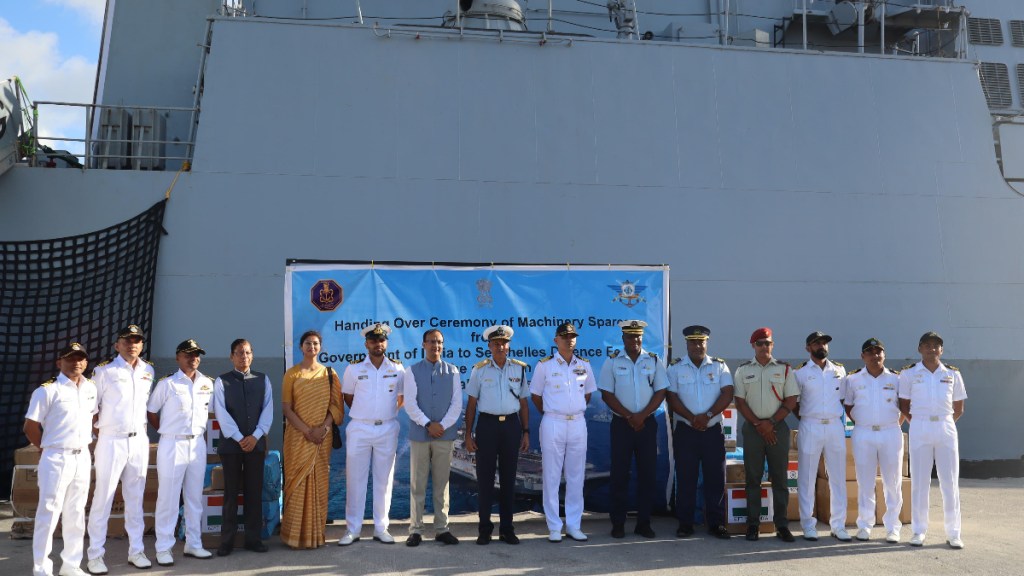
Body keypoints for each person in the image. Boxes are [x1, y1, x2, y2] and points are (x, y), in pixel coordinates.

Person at [24, 342, 97, 576]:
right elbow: (30, 426)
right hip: (55, 456)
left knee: (76, 513)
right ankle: (41, 568)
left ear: (86, 362)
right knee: (49, 513)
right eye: (70, 358)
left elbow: (91, 420)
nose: (76, 362)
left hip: (82, 456)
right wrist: (44, 448)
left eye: (80, 358)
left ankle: (71, 565)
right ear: (59, 363)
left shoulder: (90, 389)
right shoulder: (46, 391)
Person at [87, 324, 155, 574]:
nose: (132, 344)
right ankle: (95, 554)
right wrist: (98, 434)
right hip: (111, 440)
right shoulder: (104, 371)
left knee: (135, 499)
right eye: (127, 340)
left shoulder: (148, 370)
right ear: (117, 345)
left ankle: (136, 551)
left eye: (136, 340)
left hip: (139, 441)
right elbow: (91, 409)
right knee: (102, 497)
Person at [146, 339, 216, 565]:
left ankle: (193, 544)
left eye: (196, 354)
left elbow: (214, 412)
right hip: (172, 444)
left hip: (197, 444)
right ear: (178, 357)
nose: (193, 358)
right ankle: (163, 547)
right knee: (168, 498)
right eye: (188, 354)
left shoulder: (207, 383)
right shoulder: (167, 384)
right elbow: (152, 412)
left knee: (195, 498)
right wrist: (166, 431)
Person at [598, 320, 668, 539]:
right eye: (630, 337)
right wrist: (630, 416)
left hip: (647, 425)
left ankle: (643, 523)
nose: (635, 340)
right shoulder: (612, 362)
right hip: (622, 425)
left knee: (647, 475)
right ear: (623, 339)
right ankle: (618, 523)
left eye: (638, 337)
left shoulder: (654, 361)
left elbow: (660, 392)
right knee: (620, 475)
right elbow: (607, 394)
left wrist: (642, 415)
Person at [338, 323, 405, 546]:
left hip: (387, 427)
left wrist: (386, 414)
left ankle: (381, 527)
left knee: (384, 480)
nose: (378, 344)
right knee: (355, 480)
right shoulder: (354, 369)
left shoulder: (397, 368)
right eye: (374, 340)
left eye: (382, 340)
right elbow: (347, 397)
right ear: (366, 343)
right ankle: (353, 529)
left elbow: (402, 397)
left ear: (386, 343)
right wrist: (364, 413)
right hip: (359, 428)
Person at [898, 331, 966, 549]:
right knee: (919, 481)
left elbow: (959, 408)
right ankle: (919, 530)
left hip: (946, 426)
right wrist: (917, 421)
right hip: (919, 425)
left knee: (950, 481)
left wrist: (943, 423)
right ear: (919, 349)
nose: (931, 349)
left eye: (936, 346)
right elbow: (904, 404)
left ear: (941, 350)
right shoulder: (909, 374)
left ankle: (954, 532)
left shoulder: (953, 374)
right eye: (927, 345)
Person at [463, 325, 530, 545]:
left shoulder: (519, 369)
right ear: (489, 346)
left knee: (509, 479)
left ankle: (507, 528)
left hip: (511, 426)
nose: (500, 346)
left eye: (503, 343)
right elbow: (472, 404)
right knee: (485, 479)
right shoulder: (479, 370)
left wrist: (526, 431)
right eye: (496, 343)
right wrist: (468, 435)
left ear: (508, 346)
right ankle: (484, 529)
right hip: (487, 426)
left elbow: (523, 403)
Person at [665, 325, 733, 540]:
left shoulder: (720, 366)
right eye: (693, 342)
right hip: (686, 431)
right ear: (686, 344)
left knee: (715, 478)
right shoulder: (675, 368)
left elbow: (727, 393)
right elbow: (671, 397)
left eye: (701, 341)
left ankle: (716, 523)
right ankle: (685, 523)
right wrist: (693, 418)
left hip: (712, 430)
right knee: (686, 479)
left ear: (707, 343)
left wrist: (707, 415)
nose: (697, 345)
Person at [531, 323, 597, 543]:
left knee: (576, 475)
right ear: (555, 340)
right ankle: (554, 526)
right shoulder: (544, 366)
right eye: (564, 336)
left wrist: (572, 409)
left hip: (578, 423)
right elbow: (536, 396)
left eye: (572, 336)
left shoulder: (584, 365)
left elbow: (587, 395)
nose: (569, 340)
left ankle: (574, 525)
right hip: (553, 422)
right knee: (551, 475)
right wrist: (554, 412)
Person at [733, 327, 799, 542]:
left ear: (773, 345)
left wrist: (770, 423)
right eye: (760, 343)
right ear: (753, 345)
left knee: (780, 479)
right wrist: (757, 424)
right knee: (753, 479)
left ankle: (781, 525)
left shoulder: (785, 369)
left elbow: (791, 400)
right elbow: (740, 402)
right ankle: (753, 525)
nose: (764, 346)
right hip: (752, 430)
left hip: (777, 428)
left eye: (767, 343)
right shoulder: (742, 370)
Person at [280, 330, 343, 549]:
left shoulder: (329, 374)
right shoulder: (292, 374)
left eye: (316, 343)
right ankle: (294, 536)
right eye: (308, 343)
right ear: (301, 347)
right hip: (298, 437)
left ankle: (315, 535)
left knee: (318, 483)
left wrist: (322, 429)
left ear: (320, 347)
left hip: (321, 438)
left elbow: (336, 407)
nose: (312, 347)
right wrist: (308, 431)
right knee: (296, 484)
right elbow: (287, 408)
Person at [212, 339, 274, 556]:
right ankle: (226, 541)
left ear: (252, 355)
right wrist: (240, 438)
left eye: (247, 352)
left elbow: (267, 411)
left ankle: (253, 539)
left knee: (254, 493)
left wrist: (255, 436)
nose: (244, 356)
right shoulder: (221, 381)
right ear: (232, 356)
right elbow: (221, 413)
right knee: (230, 494)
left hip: (256, 446)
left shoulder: (263, 380)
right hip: (231, 446)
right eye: (239, 353)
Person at [403, 329, 462, 547]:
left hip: (443, 437)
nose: (435, 346)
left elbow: (457, 405)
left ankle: (442, 529)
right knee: (417, 484)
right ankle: (416, 529)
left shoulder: (453, 371)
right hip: (420, 435)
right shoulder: (411, 371)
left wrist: (442, 426)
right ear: (423, 344)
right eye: (431, 342)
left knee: (442, 484)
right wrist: (428, 424)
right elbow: (410, 404)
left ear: (443, 345)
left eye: (439, 342)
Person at [843, 338, 904, 543]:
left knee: (893, 481)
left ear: (884, 355)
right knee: (865, 481)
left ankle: (893, 527)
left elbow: (904, 406)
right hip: (864, 433)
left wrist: (894, 423)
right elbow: (848, 407)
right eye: (870, 352)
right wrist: (863, 422)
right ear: (863, 356)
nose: (875, 355)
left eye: (879, 352)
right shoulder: (853, 380)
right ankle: (865, 525)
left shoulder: (896, 379)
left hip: (890, 432)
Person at [793, 331, 851, 542]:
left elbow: (844, 399)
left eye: (825, 342)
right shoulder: (799, 372)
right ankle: (808, 524)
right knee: (807, 477)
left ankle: (838, 525)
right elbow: (794, 402)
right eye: (817, 343)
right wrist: (807, 417)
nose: (822, 346)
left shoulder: (839, 370)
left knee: (837, 477)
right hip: (810, 424)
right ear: (808, 348)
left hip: (835, 426)